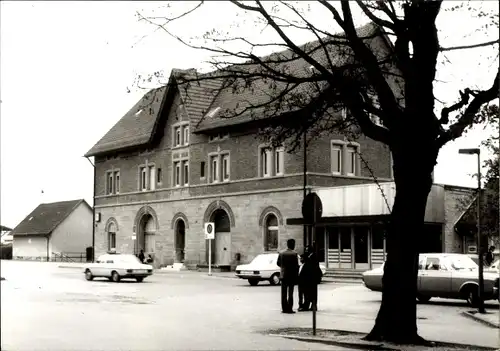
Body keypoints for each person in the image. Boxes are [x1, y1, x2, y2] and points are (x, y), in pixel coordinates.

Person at [277, 238, 299, 314]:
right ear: (292, 245)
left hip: (283, 275)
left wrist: (283, 267)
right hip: (291, 276)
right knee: (290, 293)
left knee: (283, 293)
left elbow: (278, 263)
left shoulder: (281, 253)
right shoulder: (294, 254)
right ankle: (290, 308)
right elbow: (296, 266)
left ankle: (284, 308)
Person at [300, 244, 322, 312]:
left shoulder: (313, 256)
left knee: (311, 292)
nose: (306, 251)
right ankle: (311, 305)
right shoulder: (309, 256)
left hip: (311, 278)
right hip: (310, 278)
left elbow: (312, 267)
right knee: (310, 292)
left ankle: (312, 305)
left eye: (307, 249)